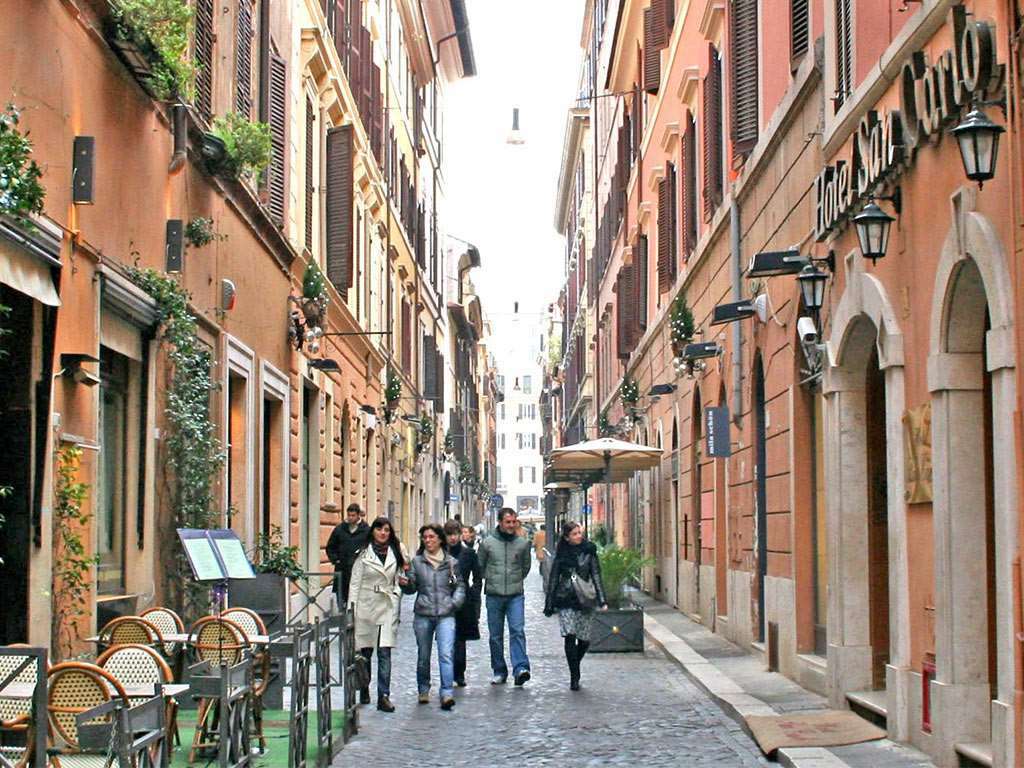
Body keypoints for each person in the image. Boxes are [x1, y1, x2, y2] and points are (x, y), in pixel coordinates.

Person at [401, 523, 466, 710]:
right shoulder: (417, 562)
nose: (428, 540)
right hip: (423, 613)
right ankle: (423, 689)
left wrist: (454, 603)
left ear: (439, 539)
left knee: (446, 654)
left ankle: (446, 693)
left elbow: (460, 586)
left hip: (446, 614)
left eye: (431, 537)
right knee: (423, 655)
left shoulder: (451, 562)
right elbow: (412, 588)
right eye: (425, 537)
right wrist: (406, 583)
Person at [347, 516, 406, 712]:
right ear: (373, 531)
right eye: (379, 529)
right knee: (366, 652)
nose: (383, 533)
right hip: (366, 607)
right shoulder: (363, 554)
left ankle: (384, 696)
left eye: (387, 530)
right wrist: (352, 610)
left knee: (385, 652)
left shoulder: (395, 552)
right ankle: (364, 687)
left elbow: (398, 578)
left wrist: (397, 592)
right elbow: (355, 583)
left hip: (387, 607)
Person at [544, 521, 607, 690]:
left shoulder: (589, 551)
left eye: (579, 532)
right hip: (565, 598)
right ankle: (574, 676)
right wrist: (549, 603)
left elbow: (596, 574)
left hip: (585, 599)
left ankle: (574, 664)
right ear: (566, 537)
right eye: (575, 533)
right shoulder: (561, 553)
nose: (579, 536)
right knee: (570, 635)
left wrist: (602, 599)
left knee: (584, 640)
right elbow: (553, 579)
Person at [477, 508, 532, 686]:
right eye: (508, 522)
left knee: (517, 630)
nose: (511, 525)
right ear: (500, 522)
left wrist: (515, 579)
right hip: (494, 595)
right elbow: (480, 566)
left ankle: (520, 668)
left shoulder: (522, 544)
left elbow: (525, 567)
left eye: (514, 522)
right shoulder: (487, 543)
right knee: (495, 635)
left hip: (516, 594)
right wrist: (492, 579)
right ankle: (499, 670)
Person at [444, 520, 481, 687]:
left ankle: (459, 673)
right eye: (449, 534)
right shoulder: (441, 554)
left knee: (460, 638)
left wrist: (473, 593)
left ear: (460, 535)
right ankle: (448, 672)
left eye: (455, 534)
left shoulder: (469, 554)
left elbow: (478, 577)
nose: (452, 538)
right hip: (444, 599)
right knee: (446, 638)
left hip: (464, 600)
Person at [326, 503, 370, 604]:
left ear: (358, 515)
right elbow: (330, 547)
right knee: (341, 599)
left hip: (360, 570)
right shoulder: (340, 529)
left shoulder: (366, 530)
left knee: (358, 601)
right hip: (342, 570)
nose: (350, 518)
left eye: (353, 515)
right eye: (349, 515)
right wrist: (335, 559)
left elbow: (370, 547)